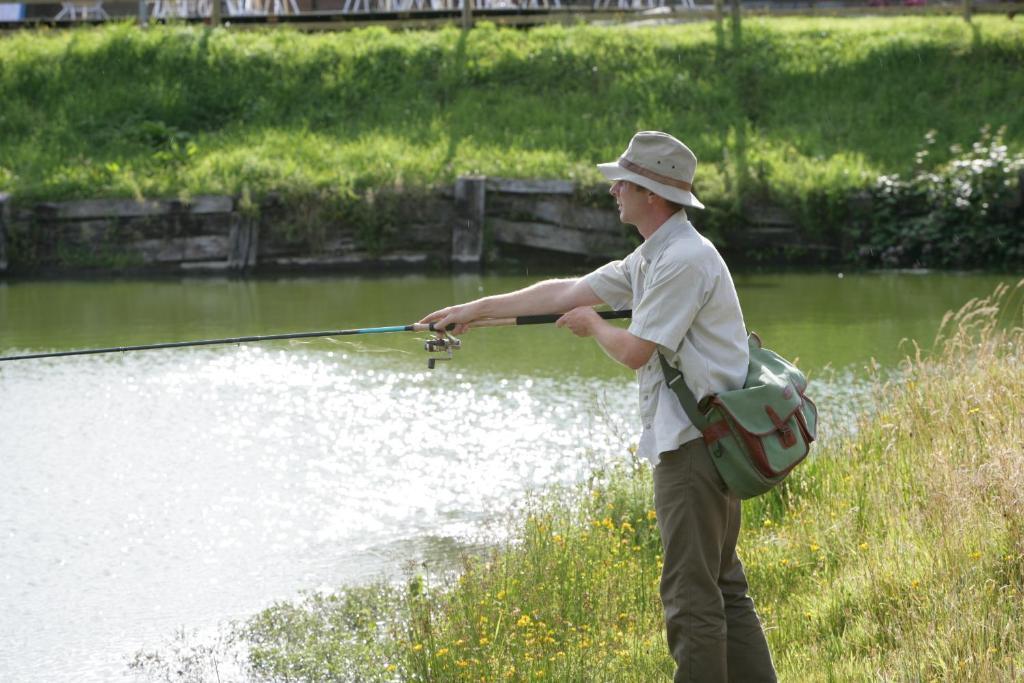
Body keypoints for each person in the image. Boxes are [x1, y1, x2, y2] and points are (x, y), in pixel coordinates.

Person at [420, 131, 776, 682]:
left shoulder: (681, 260)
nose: (613, 189)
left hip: (693, 452)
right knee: (722, 586)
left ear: (652, 194)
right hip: (711, 444)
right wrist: (475, 310)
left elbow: (635, 351)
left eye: (623, 181)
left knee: (691, 599)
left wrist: (593, 327)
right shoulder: (659, 253)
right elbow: (568, 292)